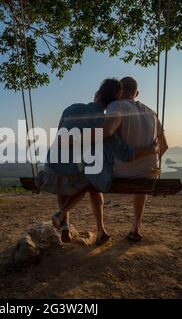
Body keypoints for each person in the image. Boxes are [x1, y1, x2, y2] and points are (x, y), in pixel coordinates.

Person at [38, 78, 158, 245]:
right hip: (73, 175)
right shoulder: (103, 122)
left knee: (66, 169)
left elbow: (60, 136)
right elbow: (125, 153)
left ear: (97, 94)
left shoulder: (70, 108)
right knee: (91, 178)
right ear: (113, 102)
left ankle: (65, 224)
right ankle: (65, 215)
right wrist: (151, 150)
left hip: (50, 169)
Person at [103, 77, 168, 241]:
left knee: (90, 169)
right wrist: (149, 159)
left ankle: (100, 229)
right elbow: (164, 146)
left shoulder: (115, 105)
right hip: (148, 174)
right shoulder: (151, 113)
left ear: (119, 91)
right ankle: (136, 226)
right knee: (145, 174)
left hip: (120, 173)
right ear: (136, 93)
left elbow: (108, 131)